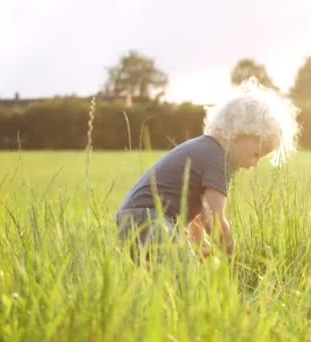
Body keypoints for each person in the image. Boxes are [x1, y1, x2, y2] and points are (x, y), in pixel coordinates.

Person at [115, 79, 300, 259]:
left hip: (132, 217)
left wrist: (197, 245)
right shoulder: (219, 160)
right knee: (185, 275)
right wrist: (232, 257)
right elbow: (215, 219)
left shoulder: (205, 147)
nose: (255, 164)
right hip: (150, 219)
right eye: (256, 154)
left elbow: (201, 214)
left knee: (167, 276)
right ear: (238, 134)